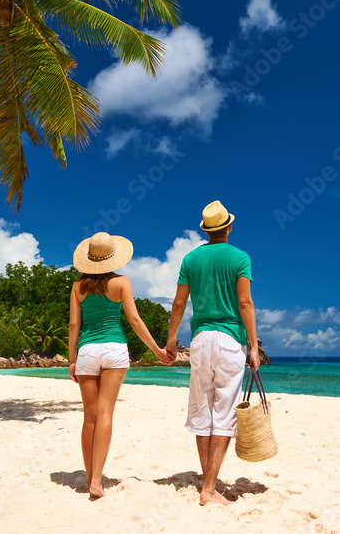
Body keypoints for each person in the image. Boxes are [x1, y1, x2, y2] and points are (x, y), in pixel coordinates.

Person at [166, 200, 260, 506]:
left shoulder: (190, 258)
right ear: (229, 227)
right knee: (224, 414)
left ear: (206, 230)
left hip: (200, 339)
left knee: (202, 411)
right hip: (230, 341)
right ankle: (209, 488)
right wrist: (254, 346)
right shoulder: (240, 257)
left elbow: (179, 304)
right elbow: (245, 304)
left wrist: (170, 341)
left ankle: (209, 482)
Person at [69, 232, 171, 498]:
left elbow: (73, 325)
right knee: (105, 414)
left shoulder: (78, 286)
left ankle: (89, 476)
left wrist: (71, 360)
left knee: (89, 416)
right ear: (112, 256)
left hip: (87, 351)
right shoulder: (122, 282)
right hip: (114, 349)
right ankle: (96, 482)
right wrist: (158, 351)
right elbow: (135, 321)